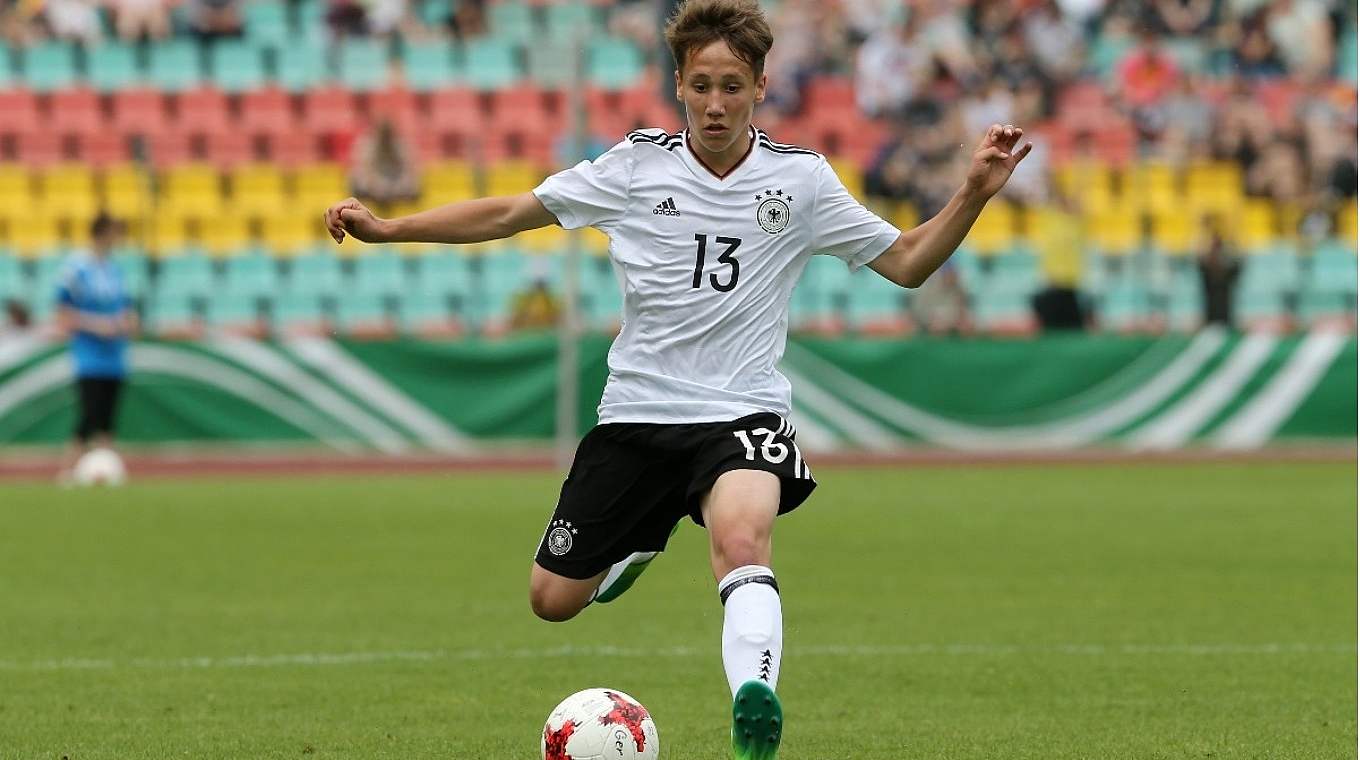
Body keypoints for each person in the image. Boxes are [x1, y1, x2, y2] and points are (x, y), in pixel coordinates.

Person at [322, 1, 1030, 757]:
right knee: (551, 600)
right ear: (680, 86)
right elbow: (508, 213)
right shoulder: (633, 166)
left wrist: (974, 193)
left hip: (743, 414)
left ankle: (753, 696)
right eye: (701, 86)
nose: (716, 103)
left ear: (760, 86)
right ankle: (638, 542)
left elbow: (908, 263)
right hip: (638, 415)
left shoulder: (801, 182)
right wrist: (393, 228)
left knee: (742, 542)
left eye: (732, 85)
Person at [54, 213, 138, 483]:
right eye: (114, 232)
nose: (118, 239)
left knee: (108, 417)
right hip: (89, 355)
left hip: (115, 355)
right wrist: (98, 325)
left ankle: (107, 470)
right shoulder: (76, 268)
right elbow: (63, 314)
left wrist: (128, 321)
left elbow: (125, 306)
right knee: (89, 414)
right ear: (101, 233)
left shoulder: (115, 269)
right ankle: (68, 470)